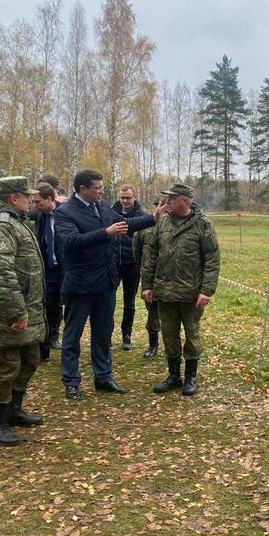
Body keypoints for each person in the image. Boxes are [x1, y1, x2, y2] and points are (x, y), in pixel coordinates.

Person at [53, 170, 165, 400]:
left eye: (102, 187)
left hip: (105, 282)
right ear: (83, 188)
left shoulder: (103, 207)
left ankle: (103, 377)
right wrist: (105, 233)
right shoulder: (64, 212)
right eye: (97, 187)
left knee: (103, 333)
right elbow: (70, 242)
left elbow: (124, 224)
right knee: (72, 335)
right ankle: (71, 381)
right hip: (80, 284)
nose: (101, 191)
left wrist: (153, 218)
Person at [0, 176, 46, 446]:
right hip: (6, 312)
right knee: (7, 366)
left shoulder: (16, 222)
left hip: (24, 308)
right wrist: (16, 312)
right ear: (15, 198)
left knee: (30, 359)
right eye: (27, 196)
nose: (31, 201)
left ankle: (14, 410)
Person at [141, 184, 220, 396]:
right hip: (164, 293)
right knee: (169, 334)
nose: (167, 204)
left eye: (171, 199)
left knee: (192, 335)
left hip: (191, 294)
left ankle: (191, 377)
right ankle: (174, 376)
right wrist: (147, 285)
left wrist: (206, 290)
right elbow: (150, 254)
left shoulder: (203, 225)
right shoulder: (163, 223)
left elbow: (212, 259)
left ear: (185, 200)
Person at [111, 185, 146, 351]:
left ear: (134, 198)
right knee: (108, 301)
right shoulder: (110, 213)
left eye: (128, 198)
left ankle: (126, 335)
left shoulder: (142, 217)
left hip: (132, 264)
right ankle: (107, 334)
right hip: (112, 264)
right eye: (122, 198)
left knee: (129, 302)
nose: (125, 201)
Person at [31, 182, 63, 362]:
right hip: (48, 269)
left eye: (38, 201)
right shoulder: (39, 215)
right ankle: (44, 348)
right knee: (47, 306)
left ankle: (55, 338)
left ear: (50, 199)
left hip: (65, 269)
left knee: (60, 306)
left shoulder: (64, 215)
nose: (34, 205)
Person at [132, 201, 162, 357]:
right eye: (160, 205)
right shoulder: (144, 227)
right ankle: (153, 345)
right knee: (153, 313)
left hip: (174, 280)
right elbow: (136, 252)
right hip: (151, 278)